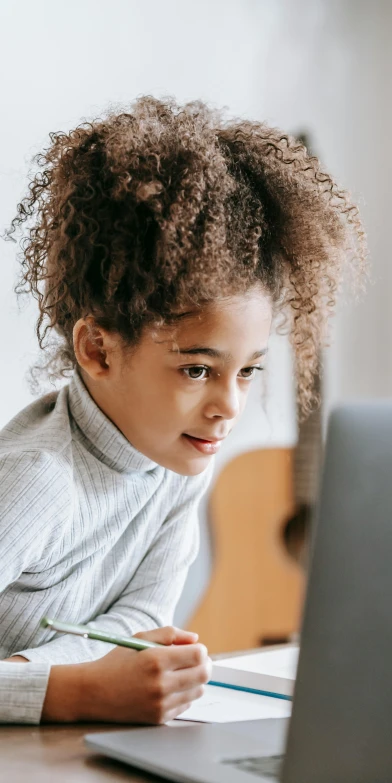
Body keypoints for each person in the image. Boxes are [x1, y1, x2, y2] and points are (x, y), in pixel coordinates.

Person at [0, 95, 367, 725]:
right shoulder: (37, 481)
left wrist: (66, 666)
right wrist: (75, 689)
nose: (229, 406)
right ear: (98, 349)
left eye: (247, 371)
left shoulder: (174, 461)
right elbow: (104, 659)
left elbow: (144, 618)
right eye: (198, 370)